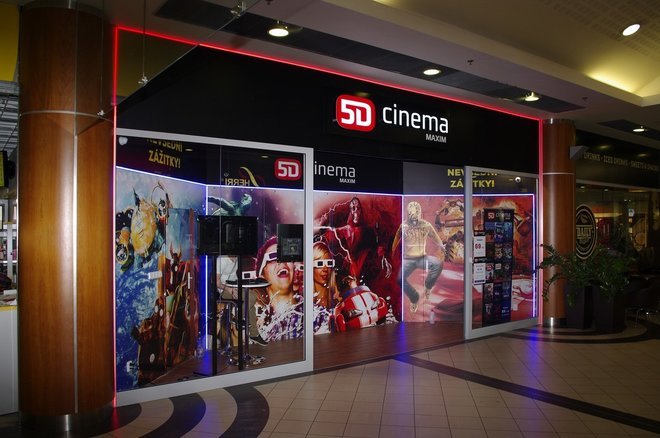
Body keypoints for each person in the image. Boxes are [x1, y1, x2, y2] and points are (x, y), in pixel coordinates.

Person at [392, 201, 445, 312]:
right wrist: (392, 252)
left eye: (416, 213)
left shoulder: (426, 225)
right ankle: (414, 297)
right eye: (412, 214)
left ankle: (428, 286)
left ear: (420, 213)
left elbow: (435, 236)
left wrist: (441, 246)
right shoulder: (403, 226)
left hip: (422, 258)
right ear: (408, 213)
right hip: (408, 259)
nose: (414, 216)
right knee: (400, 279)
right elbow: (396, 238)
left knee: (438, 264)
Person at [254, 236, 304, 341]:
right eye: (273, 258)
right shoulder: (256, 319)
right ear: (262, 275)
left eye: (287, 257)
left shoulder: (315, 315)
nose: (282, 262)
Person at [312, 241, 336, 333]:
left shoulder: (336, 299)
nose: (325, 269)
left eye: (329, 263)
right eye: (320, 264)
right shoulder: (303, 302)